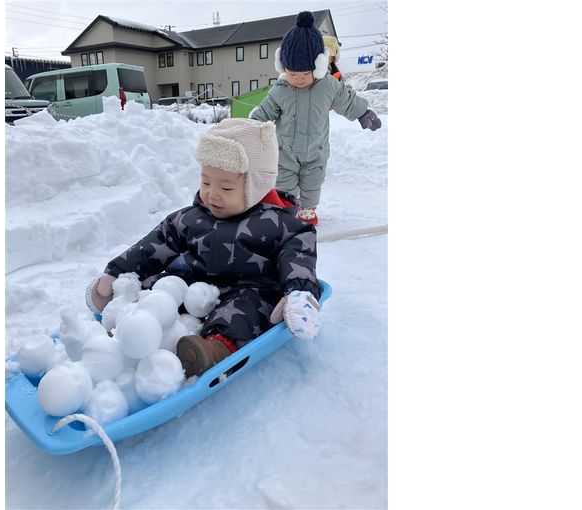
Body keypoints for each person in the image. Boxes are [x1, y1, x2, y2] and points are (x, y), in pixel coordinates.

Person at [86, 118, 322, 378]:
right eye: (206, 182)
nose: (212, 194)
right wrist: (118, 273)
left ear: (257, 186)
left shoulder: (279, 224)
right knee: (160, 288)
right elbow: (154, 245)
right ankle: (132, 326)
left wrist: (298, 294)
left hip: (247, 289)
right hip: (191, 288)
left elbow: (299, 254)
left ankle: (212, 351)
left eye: (226, 187)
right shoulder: (191, 218)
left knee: (246, 311)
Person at [250, 11, 382, 226]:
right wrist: (251, 126)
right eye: (293, 74)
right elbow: (266, 111)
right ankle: (286, 212)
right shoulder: (280, 90)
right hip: (286, 152)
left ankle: (308, 211)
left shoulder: (328, 85)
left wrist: (363, 113)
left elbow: (346, 99)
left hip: (316, 151)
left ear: (319, 66)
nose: (298, 79)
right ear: (283, 69)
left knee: (312, 184)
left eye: (304, 74)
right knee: (284, 183)